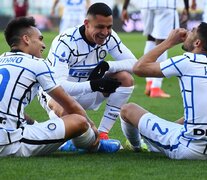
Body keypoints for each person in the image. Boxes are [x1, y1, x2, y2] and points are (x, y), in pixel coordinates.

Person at [0, 16, 121, 157]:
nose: (43, 45)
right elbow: (69, 104)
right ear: (26, 39)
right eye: (40, 39)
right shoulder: (37, 64)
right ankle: (96, 145)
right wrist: (93, 129)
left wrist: (34, 124)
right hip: (10, 143)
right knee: (79, 121)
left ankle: (61, 140)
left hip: (9, 133)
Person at [38, 2, 137, 140]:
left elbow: (134, 64)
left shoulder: (110, 37)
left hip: (88, 88)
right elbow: (58, 86)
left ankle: (102, 133)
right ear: (87, 23)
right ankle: (68, 137)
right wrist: (95, 85)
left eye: (109, 27)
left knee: (125, 78)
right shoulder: (65, 42)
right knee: (71, 117)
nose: (105, 32)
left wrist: (107, 66)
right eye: (100, 27)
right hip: (59, 95)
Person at [120, 22, 207, 160]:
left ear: (197, 43)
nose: (188, 32)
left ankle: (137, 146)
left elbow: (139, 68)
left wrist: (169, 42)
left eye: (192, 31)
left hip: (189, 148)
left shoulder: (186, 61)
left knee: (128, 109)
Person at [121, 0, 190, 98]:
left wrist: (124, 8)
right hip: (165, 5)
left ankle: (149, 82)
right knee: (162, 42)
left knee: (151, 39)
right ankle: (156, 87)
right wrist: (186, 7)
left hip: (146, 5)